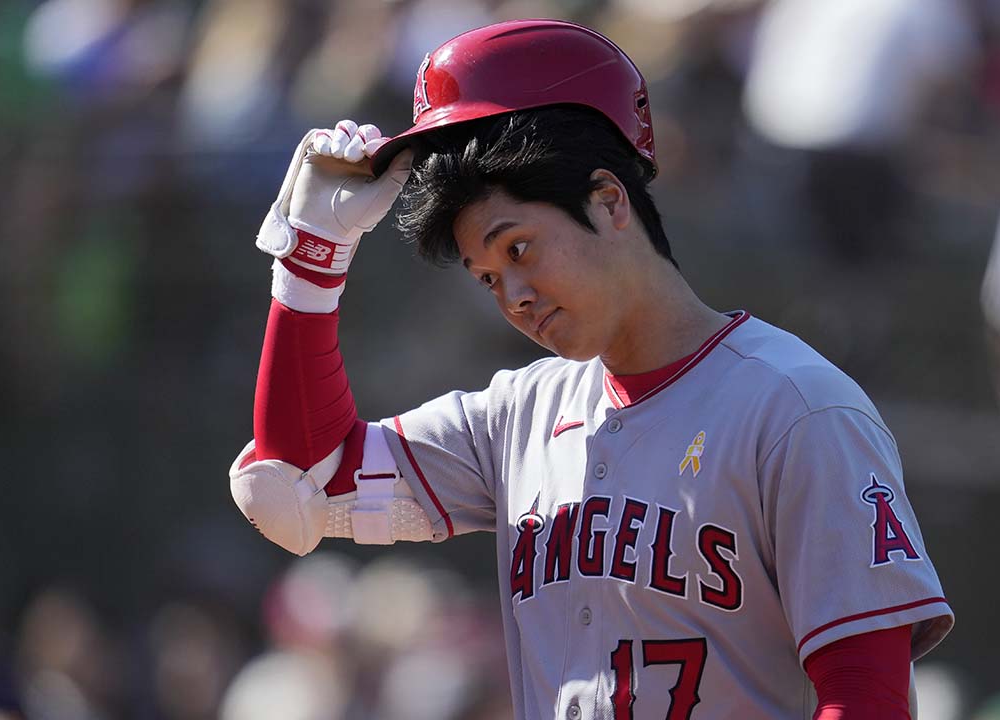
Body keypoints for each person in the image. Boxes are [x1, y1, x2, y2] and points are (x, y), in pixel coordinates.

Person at [229, 18, 953, 719]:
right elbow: (295, 483)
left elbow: (866, 696)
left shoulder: (796, 408)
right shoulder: (515, 416)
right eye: (486, 277)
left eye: (517, 249)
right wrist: (309, 265)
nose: (512, 296)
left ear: (609, 202)